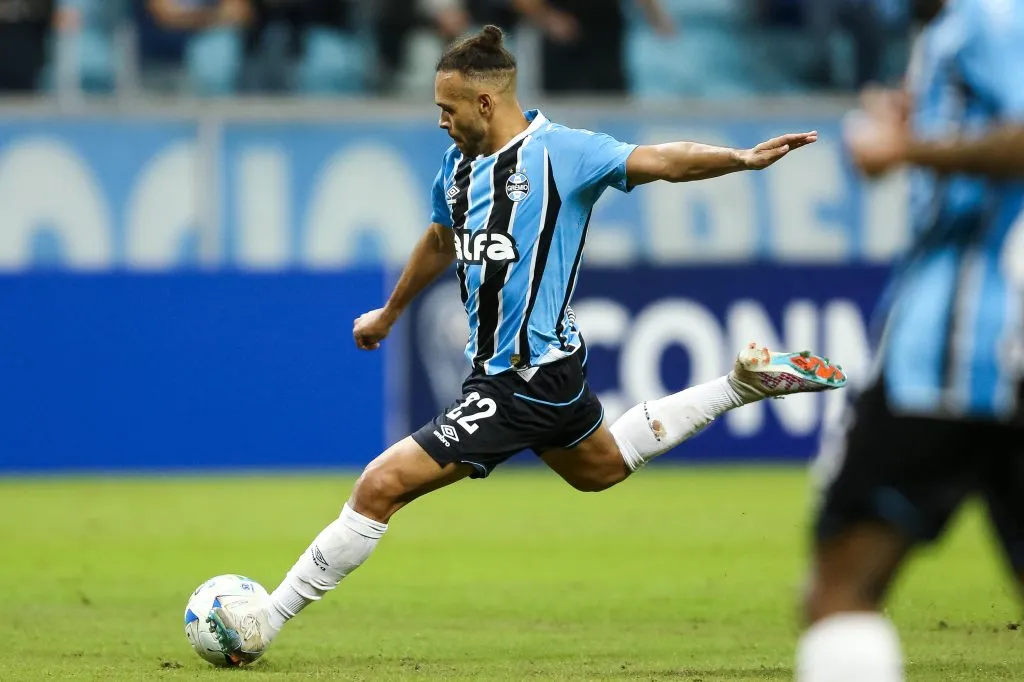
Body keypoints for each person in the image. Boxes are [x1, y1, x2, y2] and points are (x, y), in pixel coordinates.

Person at [207, 25, 845, 663]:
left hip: (522, 379)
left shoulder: (562, 154)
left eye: (446, 110)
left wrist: (741, 158)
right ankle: (740, 384)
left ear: (484, 103)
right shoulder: (457, 167)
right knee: (603, 468)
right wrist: (392, 311)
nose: (440, 122)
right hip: (548, 374)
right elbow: (439, 240)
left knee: (379, 486)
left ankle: (267, 617)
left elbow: (661, 160)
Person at [797, 1, 1024, 680]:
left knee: (841, 588)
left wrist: (906, 147)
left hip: (957, 348)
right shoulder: (951, 33)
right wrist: (911, 127)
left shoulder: (988, 21)